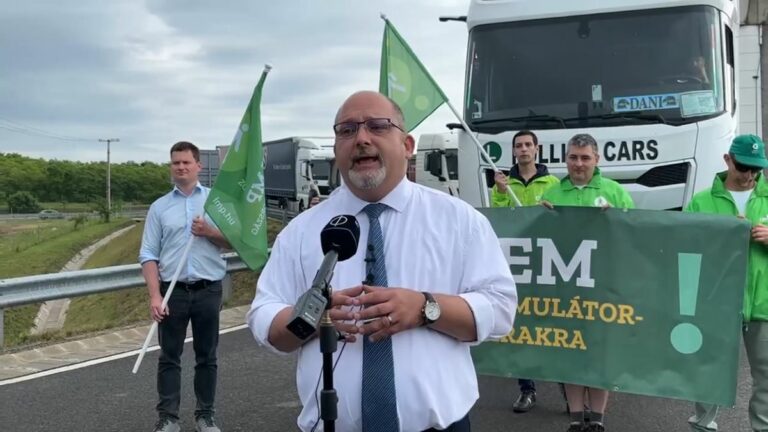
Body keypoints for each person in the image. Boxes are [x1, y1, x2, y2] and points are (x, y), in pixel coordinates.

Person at [247, 90, 517, 431]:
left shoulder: (460, 221)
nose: (361, 138)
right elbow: (263, 315)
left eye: (377, 126)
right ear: (336, 150)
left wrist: (425, 307)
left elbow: (500, 311)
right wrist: (312, 318)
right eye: (347, 130)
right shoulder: (301, 232)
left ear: (407, 145)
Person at [541, 133, 634, 432]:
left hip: (603, 288)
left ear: (596, 159)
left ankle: (597, 420)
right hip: (565, 289)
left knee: (598, 354)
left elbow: (635, 232)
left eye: (584, 158)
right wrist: (539, 218)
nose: (578, 164)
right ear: (565, 159)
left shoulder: (615, 192)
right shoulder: (552, 195)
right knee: (570, 353)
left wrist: (616, 218)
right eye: (573, 157)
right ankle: (575, 418)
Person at [139, 141, 231, 432]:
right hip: (172, 292)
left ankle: (205, 415)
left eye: (186, 162)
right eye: (175, 162)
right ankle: (168, 418)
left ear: (198, 166)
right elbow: (148, 255)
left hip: (208, 289)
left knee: (207, 356)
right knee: (169, 357)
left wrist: (208, 231)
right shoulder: (159, 208)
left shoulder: (216, 202)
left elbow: (233, 242)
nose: (180, 167)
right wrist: (155, 296)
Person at [685, 134, 768, 432]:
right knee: (709, 373)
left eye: (756, 169)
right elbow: (685, 248)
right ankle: (703, 426)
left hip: (763, 304)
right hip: (716, 303)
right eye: (743, 167)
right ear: (727, 160)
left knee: (766, 377)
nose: (749, 176)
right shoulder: (701, 201)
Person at [491, 130, 559, 413]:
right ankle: (526, 389)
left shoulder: (554, 182)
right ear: (514, 151)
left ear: (537, 149)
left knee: (555, 325)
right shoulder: (504, 184)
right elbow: (498, 219)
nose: (523, 149)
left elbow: (563, 219)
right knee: (523, 325)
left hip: (549, 263)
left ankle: (568, 385)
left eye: (528, 145)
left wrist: (551, 211)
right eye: (518, 146)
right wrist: (499, 192)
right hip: (518, 265)